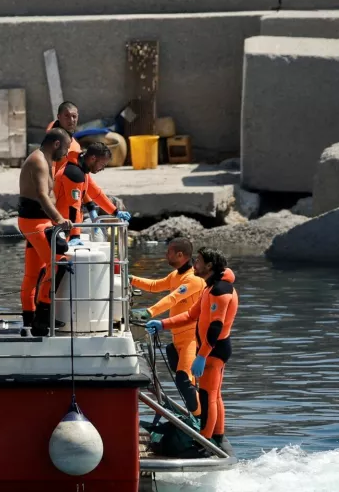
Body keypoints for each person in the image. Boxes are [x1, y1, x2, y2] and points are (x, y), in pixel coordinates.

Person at [146, 248, 238, 455]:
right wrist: (163, 324)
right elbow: (190, 315)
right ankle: (217, 436)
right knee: (215, 395)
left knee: (208, 397)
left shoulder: (220, 291)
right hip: (210, 350)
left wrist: (201, 356)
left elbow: (215, 328)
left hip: (214, 350)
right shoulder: (209, 287)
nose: (194, 264)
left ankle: (205, 441)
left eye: (198, 261)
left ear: (209, 266)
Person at [128, 237, 206, 415]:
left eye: (169, 252)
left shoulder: (193, 279)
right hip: (177, 337)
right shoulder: (176, 275)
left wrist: (149, 312)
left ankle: (200, 420)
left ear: (180, 255)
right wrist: (131, 279)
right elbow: (156, 286)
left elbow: (172, 299)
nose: (166, 255)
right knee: (185, 382)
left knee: (184, 379)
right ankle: (197, 415)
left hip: (191, 339)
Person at [18, 127, 72, 336]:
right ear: (56, 144)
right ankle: (43, 317)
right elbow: (42, 195)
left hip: (39, 222)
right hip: (34, 222)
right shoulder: (39, 161)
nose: (66, 153)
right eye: (65, 148)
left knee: (34, 272)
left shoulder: (45, 159)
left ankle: (28, 319)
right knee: (58, 263)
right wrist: (59, 219)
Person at [53, 142, 131, 244]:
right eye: (102, 165)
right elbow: (74, 206)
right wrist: (75, 236)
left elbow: (96, 194)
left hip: (67, 226)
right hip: (59, 226)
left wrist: (115, 212)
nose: (102, 169)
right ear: (93, 158)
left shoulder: (82, 169)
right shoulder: (74, 173)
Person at [47, 102, 82, 177]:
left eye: (74, 116)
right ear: (59, 117)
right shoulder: (54, 142)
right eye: (67, 116)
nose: (71, 120)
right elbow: (50, 171)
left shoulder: (75, 144)